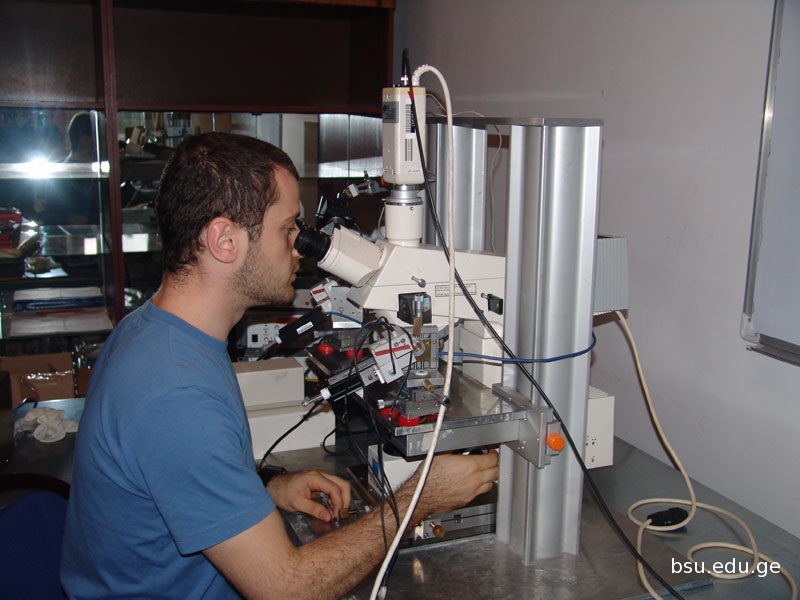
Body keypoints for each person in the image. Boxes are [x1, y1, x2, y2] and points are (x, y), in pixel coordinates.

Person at [60, 132, 499, 599]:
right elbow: (287, 590)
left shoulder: (153, 332)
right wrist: (419, 498)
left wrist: (264, 492)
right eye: (288, 228)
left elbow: (171, 482)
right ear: (225, 240)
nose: (299, 247)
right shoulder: (178, 392)